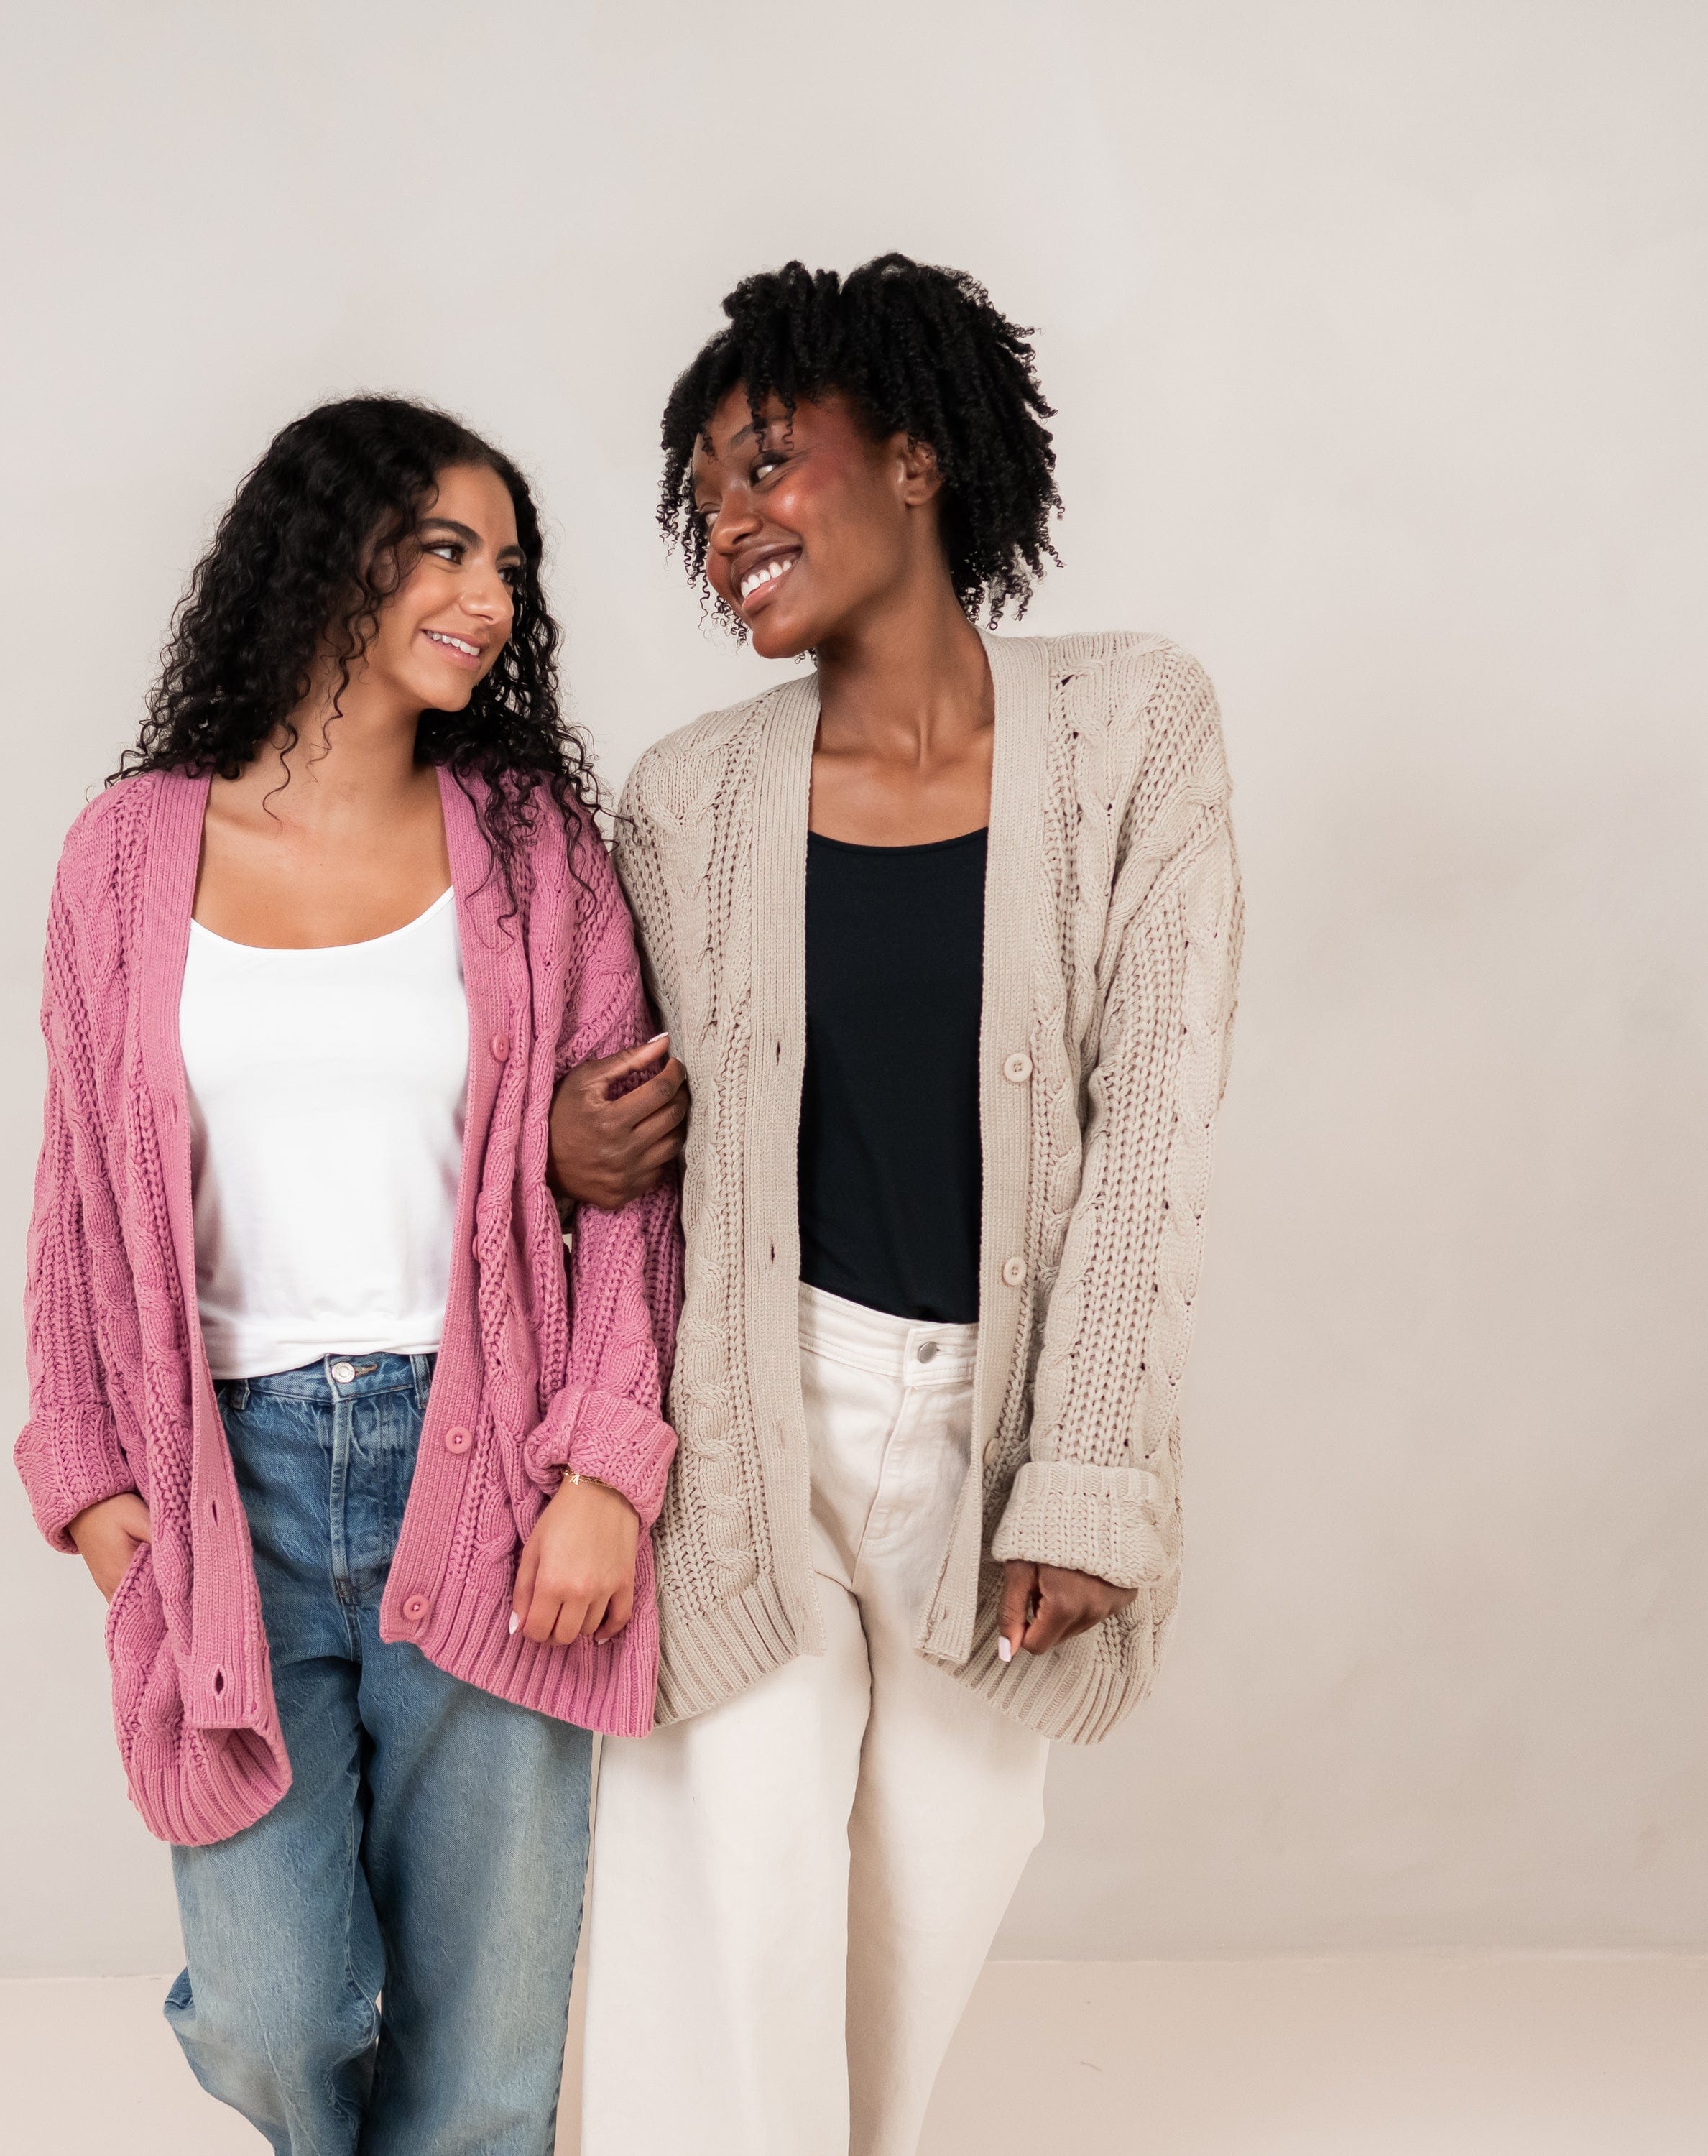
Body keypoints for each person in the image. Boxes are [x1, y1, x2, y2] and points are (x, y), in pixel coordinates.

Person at [552, 257, 1245, 2155]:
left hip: (996, 1431)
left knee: (916, 1927)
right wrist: (564, 1149)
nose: (729, 525)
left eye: (767, 462)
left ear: (922, 455)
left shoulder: (1134, 731)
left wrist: (1087, 1475)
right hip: (742, 1418)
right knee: (735, 1919)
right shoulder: (684, 801)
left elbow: (1152, 1136)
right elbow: (597, 1132)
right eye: (702, 505)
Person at [14, 395, 680, 2155]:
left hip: (486, 1460)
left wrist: (608, 1465)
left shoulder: (532, 846)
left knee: (484, 2059)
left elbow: (631, 1186)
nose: (490, 597)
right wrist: (86, 1483)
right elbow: (82, 1192)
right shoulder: (130, 855)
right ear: (327, 556)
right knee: (277, 2017)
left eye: (509, 566)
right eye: (448, 549)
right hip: (223, 1488)